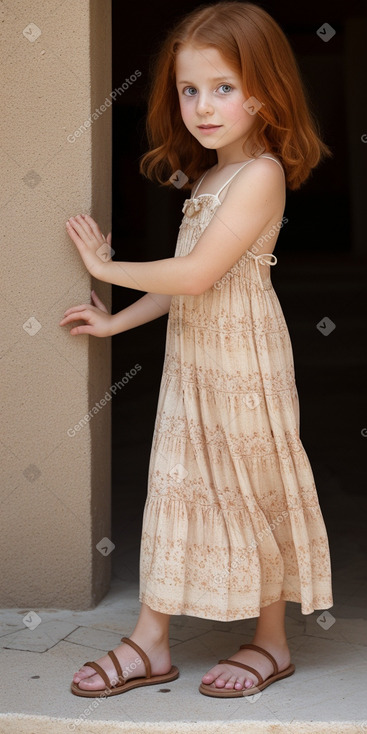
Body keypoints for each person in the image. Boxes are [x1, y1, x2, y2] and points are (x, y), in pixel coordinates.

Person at [60, 1, 334, 699]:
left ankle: (269, 644)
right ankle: (152, 640)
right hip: (193, 364)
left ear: (264, 92)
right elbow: (186, 284)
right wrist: (115, 322)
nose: (202, 107)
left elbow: (199, 275)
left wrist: (107, 269)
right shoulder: (207, 179)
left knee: (250, 489)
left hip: (244, 364)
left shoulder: (260, 175)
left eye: (222, 88)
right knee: (178, 487)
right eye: (188, 90)